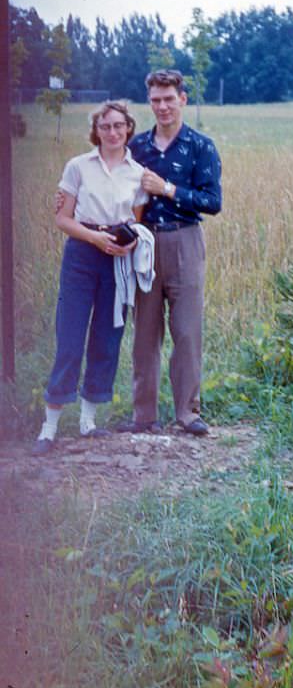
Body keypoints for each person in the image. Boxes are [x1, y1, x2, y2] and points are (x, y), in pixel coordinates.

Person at [34, 101, 148, 455]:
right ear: (95, 130)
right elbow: (63, 219)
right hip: (82, 254)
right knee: (69, 335)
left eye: (118, 125)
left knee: (107, 336)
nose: (112, 132)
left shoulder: (137, 172)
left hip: (116, 259)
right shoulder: (78, 166)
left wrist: (127, 245)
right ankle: (48, 427)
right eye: (105, 126)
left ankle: (88, 422)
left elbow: (137, 220)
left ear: (128, 127)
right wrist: (94, 238)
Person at [119, 68, 222, 436]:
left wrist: (168, 189)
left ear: (183, 99)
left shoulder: (201, 147)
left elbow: (213, 202)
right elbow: (115, 190)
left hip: (185, 242)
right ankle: (143, 415)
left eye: (169, 99)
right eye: (156, 100)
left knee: (187, 330)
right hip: (144, 243)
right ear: (150, 102)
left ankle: (188, 413)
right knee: (145, 332)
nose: (162, 107)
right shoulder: (137, 148)